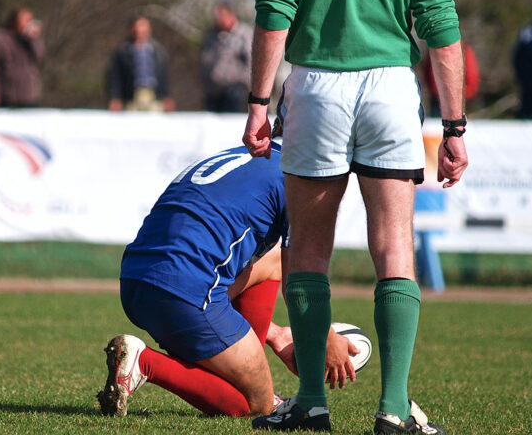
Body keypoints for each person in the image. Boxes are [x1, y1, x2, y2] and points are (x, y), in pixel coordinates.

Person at [242, 0, 468, 433]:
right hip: (391, 86)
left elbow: (274, 13)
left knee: (310, 251)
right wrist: (455, 127)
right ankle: (393, 409)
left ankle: (312, 402)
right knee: (394, 247)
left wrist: (258, 103)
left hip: (316, 84)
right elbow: (441, 30)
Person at [97, 128, 359, 419]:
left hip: (135, 281)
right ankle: (144, 362)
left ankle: (244, 358)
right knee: (257, 405)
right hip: (184, 293)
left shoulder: (249, 156)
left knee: (272, 260)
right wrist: (327, 338)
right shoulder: (298, 177)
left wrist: (276, 334)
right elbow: (298, 288)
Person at [107, 15, 174, 112]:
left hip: (153, 96)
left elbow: (164, 76)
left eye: (144, 27)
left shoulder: (158, 51)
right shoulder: (122, 51)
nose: (141, 30)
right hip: (132, 96)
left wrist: (167, 96)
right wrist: (115, 97)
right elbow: (115, 77)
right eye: (138, 27)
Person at [0, 7, 46, 108]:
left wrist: (33, 39)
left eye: (30, 21)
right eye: (25, 20)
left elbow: (40, 57)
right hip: (7, 94)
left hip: (29, 95)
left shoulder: (30, 40)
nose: (28, 24)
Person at [200, 1, 253, 112]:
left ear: (231, 15)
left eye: (222, 16)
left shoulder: (244, 34)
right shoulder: (212, 36)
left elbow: (251, 62)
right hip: (213, 90)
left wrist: (242, 80)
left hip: (235, 90)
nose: (219, 19)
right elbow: (205, 60)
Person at [422, 40, 480, 117]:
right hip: (437, 100)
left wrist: (463, 96)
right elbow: (428, 72)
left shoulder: (464, 50)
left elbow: (471, 76)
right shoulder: (434, 48)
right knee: (436, 125)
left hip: (457, 100)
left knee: (456, 125)